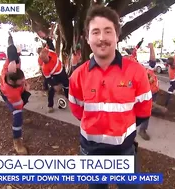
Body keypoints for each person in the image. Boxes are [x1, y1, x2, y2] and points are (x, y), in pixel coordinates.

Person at [69, 5, 152, 189]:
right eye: (95, 32)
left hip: (125, 151)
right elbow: (78, 111)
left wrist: (121, 128)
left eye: (108, 31)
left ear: (117, 36)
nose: (101, 38)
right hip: (91, 152)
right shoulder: (78, 76)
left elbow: (143, 110)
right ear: (87, 38)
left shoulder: (136, 72)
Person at [138, 42, 167, 140]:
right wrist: (160, 108)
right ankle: (142, 130)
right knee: (146, 111)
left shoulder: (148, 71)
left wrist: (151, 48)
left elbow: (153, 61)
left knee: (147, 110)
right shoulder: (140, 79)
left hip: (154, 93)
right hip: (148, 95)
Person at [0, 69, 31, 155]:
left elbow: (6, 66)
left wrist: (13, 60)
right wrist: (27, 92)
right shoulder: (12, 94)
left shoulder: (8, 73)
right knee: (18, 116)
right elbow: (20, 105)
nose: (23, 82)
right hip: (12, 98)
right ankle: (17, 141)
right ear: (11, 81)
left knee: (19, 111)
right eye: (20, 82)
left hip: (14, 94)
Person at [39, 47, 69, 113]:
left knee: (67, 86)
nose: (43, 59)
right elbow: (48, 79)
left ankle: (68, 97)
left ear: (47, 54)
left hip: (62, 71)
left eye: (44, 57)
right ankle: (50, 106)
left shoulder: (52, 53)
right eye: (42, 58)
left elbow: (48, 47)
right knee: (51, 90)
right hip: (55, 76)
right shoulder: (44, 68)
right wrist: (54, 85)